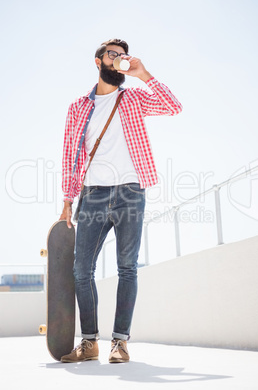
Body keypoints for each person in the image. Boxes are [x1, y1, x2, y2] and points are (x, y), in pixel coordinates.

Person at [59, 38, 182, 363]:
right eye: (112, 55)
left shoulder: (134, 98)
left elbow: (173, 107)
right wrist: (68, 198)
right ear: (98, 62)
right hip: (93, 194)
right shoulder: (79, 107)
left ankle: (120, 342)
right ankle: (89, 342)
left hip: (130, 191)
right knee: (81, 270)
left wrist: (144, 74)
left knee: (127, 268)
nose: (119, 59)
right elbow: (71, 155)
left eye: (123, 55)